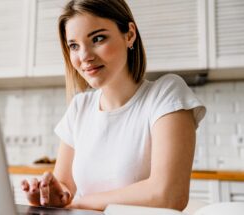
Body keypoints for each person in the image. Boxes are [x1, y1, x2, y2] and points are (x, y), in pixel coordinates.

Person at [21, 0, 206, 211]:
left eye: (98, 38)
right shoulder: (79, 107)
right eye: (74, 46)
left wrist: (79, 202)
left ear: (129, 34)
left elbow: (168, 194)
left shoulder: (165, 94)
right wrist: (48, 194)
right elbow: (64, 190)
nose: (84, 57)